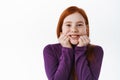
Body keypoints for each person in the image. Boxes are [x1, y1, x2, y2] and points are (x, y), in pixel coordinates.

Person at [43, 6, 104, 80]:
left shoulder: (96, 50)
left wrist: (80, 50)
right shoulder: (50, 50)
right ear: (61, 28)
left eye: (79, 25)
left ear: (86, 29)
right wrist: (67, 50)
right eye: (68, 25)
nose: (74, 30)